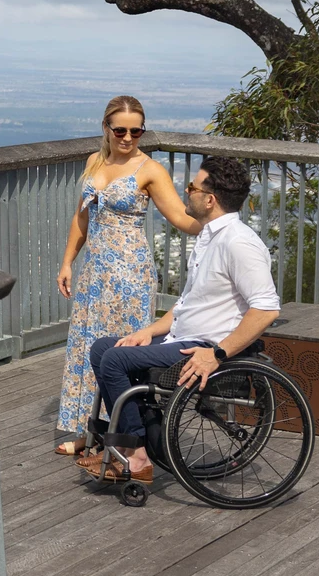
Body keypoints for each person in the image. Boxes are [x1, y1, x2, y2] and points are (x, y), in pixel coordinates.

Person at [80, 155, 281, 483]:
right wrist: (148, 331)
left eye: (192, 187)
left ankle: (136, 454)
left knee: (115, 361)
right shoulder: (208, 236)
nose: (186, 192)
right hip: (182, 336)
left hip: (203, 345)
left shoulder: (239, 243)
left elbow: (266, 309)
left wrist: (217, 354)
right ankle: (138, 435)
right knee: (104, 348)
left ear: (209, 199)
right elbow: (187, 304)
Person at [53, 96, 198, 456]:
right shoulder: (94, 161)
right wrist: (68, 262)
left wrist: (221, 222)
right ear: (106, 128)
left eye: (137, 131)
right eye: (121, 130)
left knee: (120, 351)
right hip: (94, 271)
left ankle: (121, 438)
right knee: (87, 348)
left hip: (129, 274)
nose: (128, 137)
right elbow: (82, 218)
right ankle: (89, 432)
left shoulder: (149, 169)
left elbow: (180, 217)